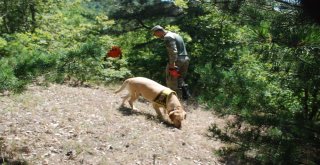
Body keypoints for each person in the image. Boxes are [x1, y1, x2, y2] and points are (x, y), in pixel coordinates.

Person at [151, 25, 191, 100]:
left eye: (156, 34)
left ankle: (171, 100)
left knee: (171, 80)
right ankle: (184, 97)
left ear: (159, 31)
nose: (156, 36)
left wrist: (172, 64)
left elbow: (173, 51)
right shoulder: (176, 35)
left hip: (177, 61)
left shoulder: (168, 37)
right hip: (185, 59)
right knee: (180, 78)